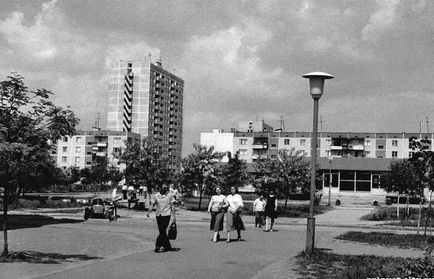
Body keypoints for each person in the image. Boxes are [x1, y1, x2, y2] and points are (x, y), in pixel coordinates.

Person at [147, 184, 176, 253]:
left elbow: (172, 206)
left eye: (166, 188)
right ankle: (167, 246)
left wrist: (174, 216)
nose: (165, 189)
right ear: (160, 188)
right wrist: (149, 211)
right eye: (163, 188)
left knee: (162, 231)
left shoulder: (170, 195)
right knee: (162, 231)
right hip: (159, 215)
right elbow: (152, 205)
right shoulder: (156, 196)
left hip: (167, 215)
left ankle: (157, 246)